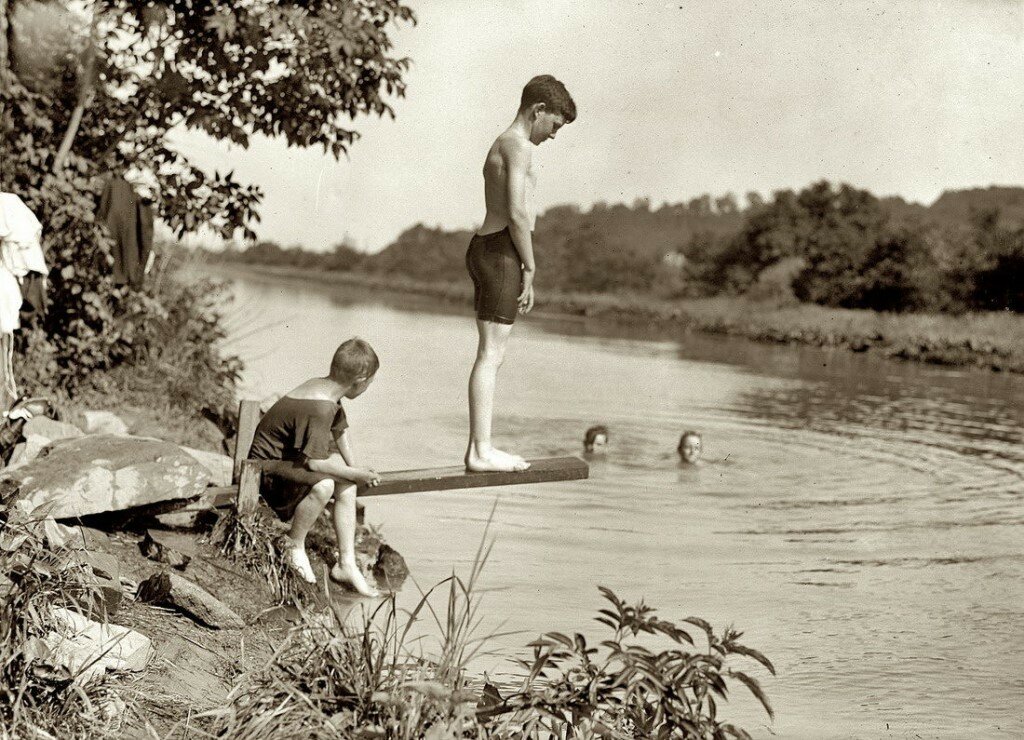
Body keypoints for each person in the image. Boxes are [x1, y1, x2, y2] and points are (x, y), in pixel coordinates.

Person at [465, 74, 576, 473]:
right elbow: (516, 212)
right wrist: (531, 265)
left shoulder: (501, 143)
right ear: (538, 111)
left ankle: (480, 448)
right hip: (501, 253)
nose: (554, 135)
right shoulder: (519, 147)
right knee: (491, 355)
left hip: (487, 247)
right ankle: (481, 452)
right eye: (555, 126)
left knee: (489, 354)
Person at [247, 338, 381, 596]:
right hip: (263, 471)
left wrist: (355, 469)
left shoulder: (326, 389)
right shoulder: (319, 407)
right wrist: (357, 474)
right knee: (325, 485)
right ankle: (294, 544)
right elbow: (315, 463)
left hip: (285, 462)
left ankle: (346, 563)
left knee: (347, 485)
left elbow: (340, 430)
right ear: (360, 380)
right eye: (371, 382)